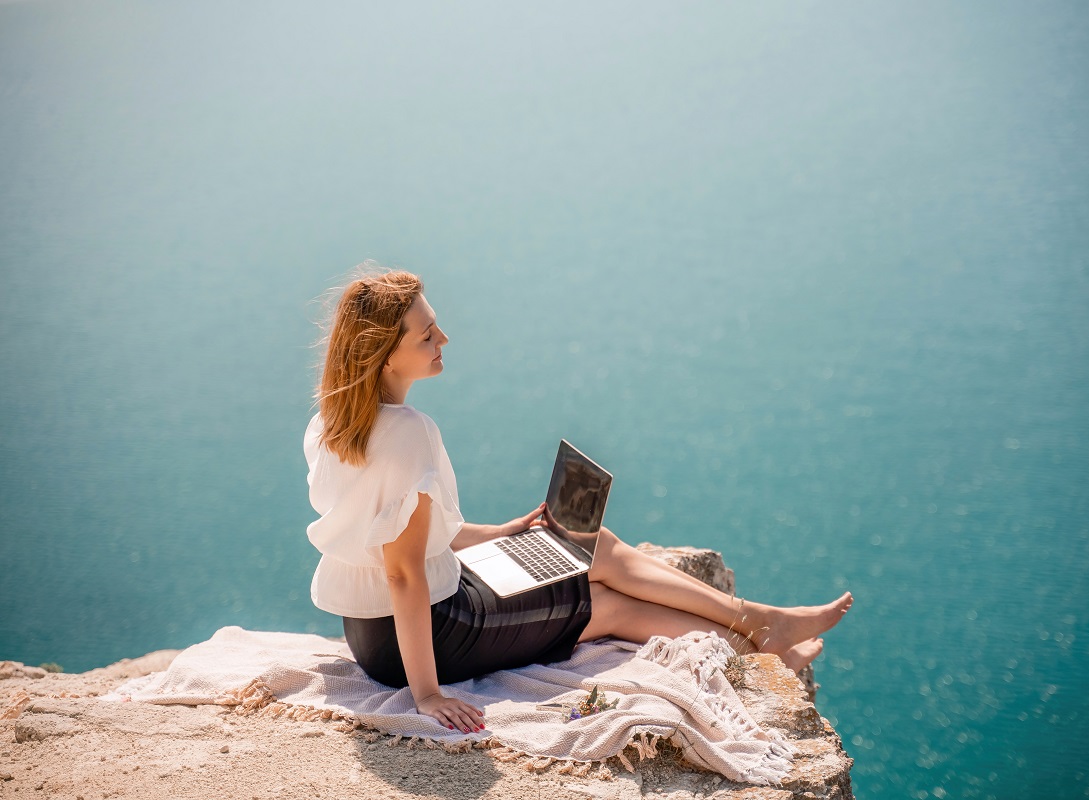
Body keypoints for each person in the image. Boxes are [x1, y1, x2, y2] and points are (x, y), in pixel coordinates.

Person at [304, 267, 853, 736]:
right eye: (426, 335)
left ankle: (757, 622)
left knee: (593, 546)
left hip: (370, 630)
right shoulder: (408, 434)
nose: (443, 338)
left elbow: (397, 539)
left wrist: (501, 533)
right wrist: (427, 694)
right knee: (609, 606)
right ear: (385, 356)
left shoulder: (333, 422)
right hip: (427, 634)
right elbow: (403, 575)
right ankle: (763, 641)